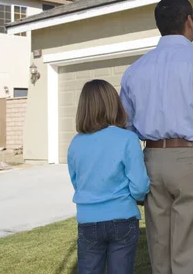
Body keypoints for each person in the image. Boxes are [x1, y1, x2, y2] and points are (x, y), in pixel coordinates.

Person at [120, 0, 193, 274]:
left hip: (152, 158)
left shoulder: (134, 71)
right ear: (189, 21)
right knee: (192, 252)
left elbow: (126, 129)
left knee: (160, 250)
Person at [68, 79, 150, 274]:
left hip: (88, 220)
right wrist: (137, 198)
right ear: (114, 103)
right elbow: (139, 184)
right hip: (122, 217)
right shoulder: (128, 138)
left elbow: (76, 181)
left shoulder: (75, 143)